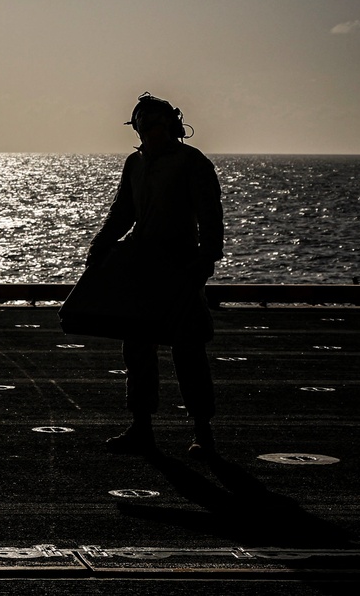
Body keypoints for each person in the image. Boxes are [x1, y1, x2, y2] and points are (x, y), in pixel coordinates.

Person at [68, 93, 224, 457]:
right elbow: (122, 211)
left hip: (181, 265)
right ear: (136, 126)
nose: (150, 128)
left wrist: (207, 259)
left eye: (156, 121)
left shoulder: (192, 161)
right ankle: (141, 427)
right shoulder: (134, 164)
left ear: (171, 123)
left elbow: (210, 215)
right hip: (140, 264)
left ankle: (203, 432)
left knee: (188, 351)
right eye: (144, 122)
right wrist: (100, 245)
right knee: (137, 350)